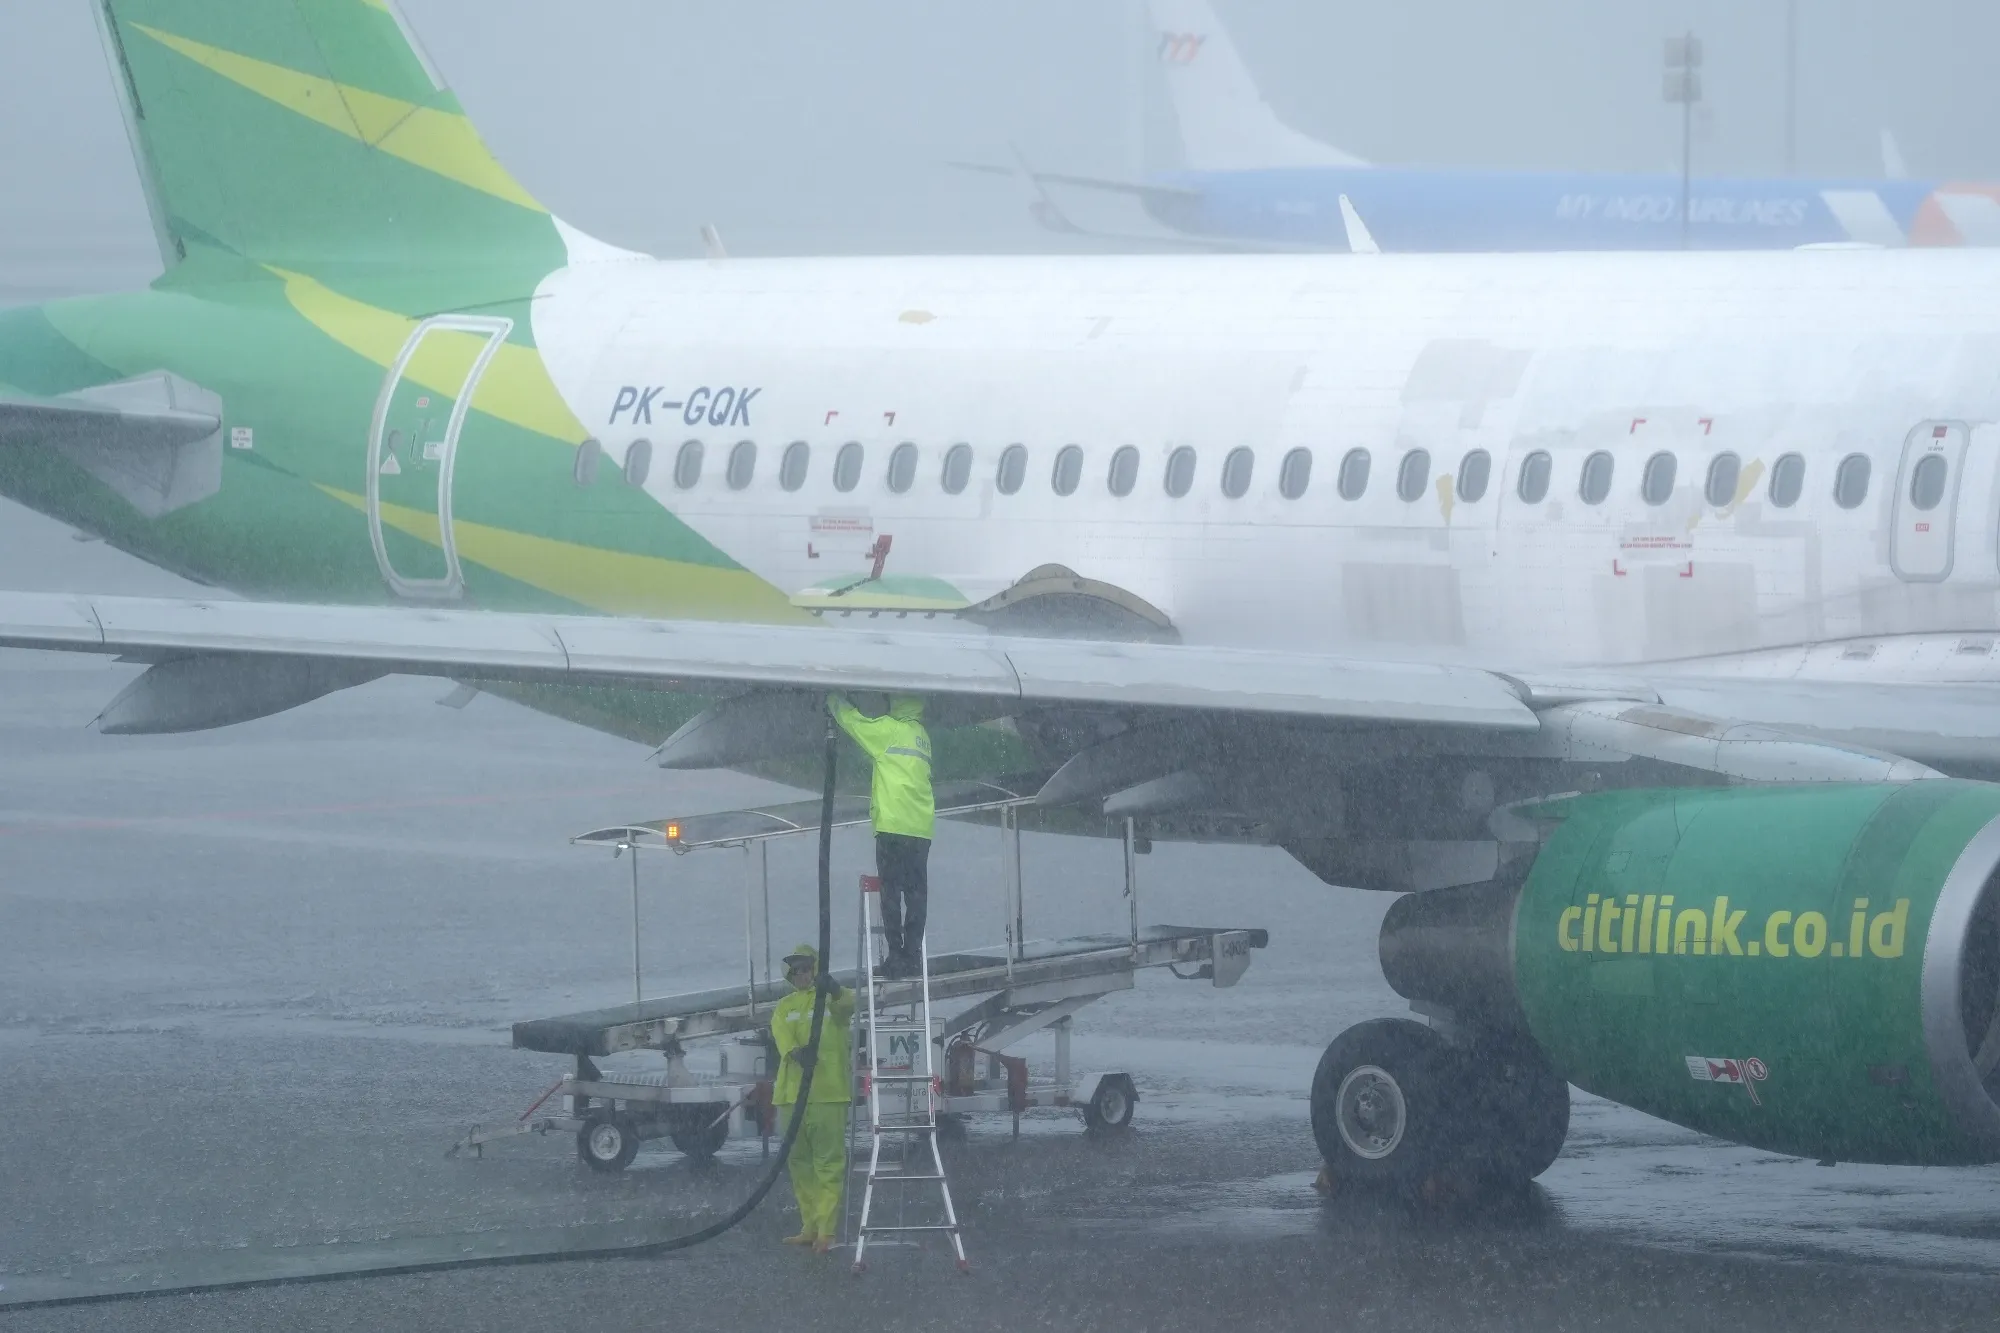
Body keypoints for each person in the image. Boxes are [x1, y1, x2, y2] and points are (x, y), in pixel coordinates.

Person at [828, 692, 934, 978]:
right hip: (921, 828)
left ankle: (896, 956)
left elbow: (855, 724)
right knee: (916, 894)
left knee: (890, 892)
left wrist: (834, 700)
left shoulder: (890, 729)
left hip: (893, 825)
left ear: (896, 704)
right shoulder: (921, 735)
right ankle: (913, 956)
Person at [770, 942, 855, 1254]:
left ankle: (827, 1231)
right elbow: (781, 1035)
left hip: (827, 1095)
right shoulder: (783, 1006)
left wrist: (832, 989)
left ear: (816, 970)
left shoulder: (833, 1002)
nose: (802, 974)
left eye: (807, 968)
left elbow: (848, 1005)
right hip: (791, 1097)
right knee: (799, 1163)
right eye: (797, 970)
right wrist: (795, 1053)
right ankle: (810, 1227)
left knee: (827, 1164)